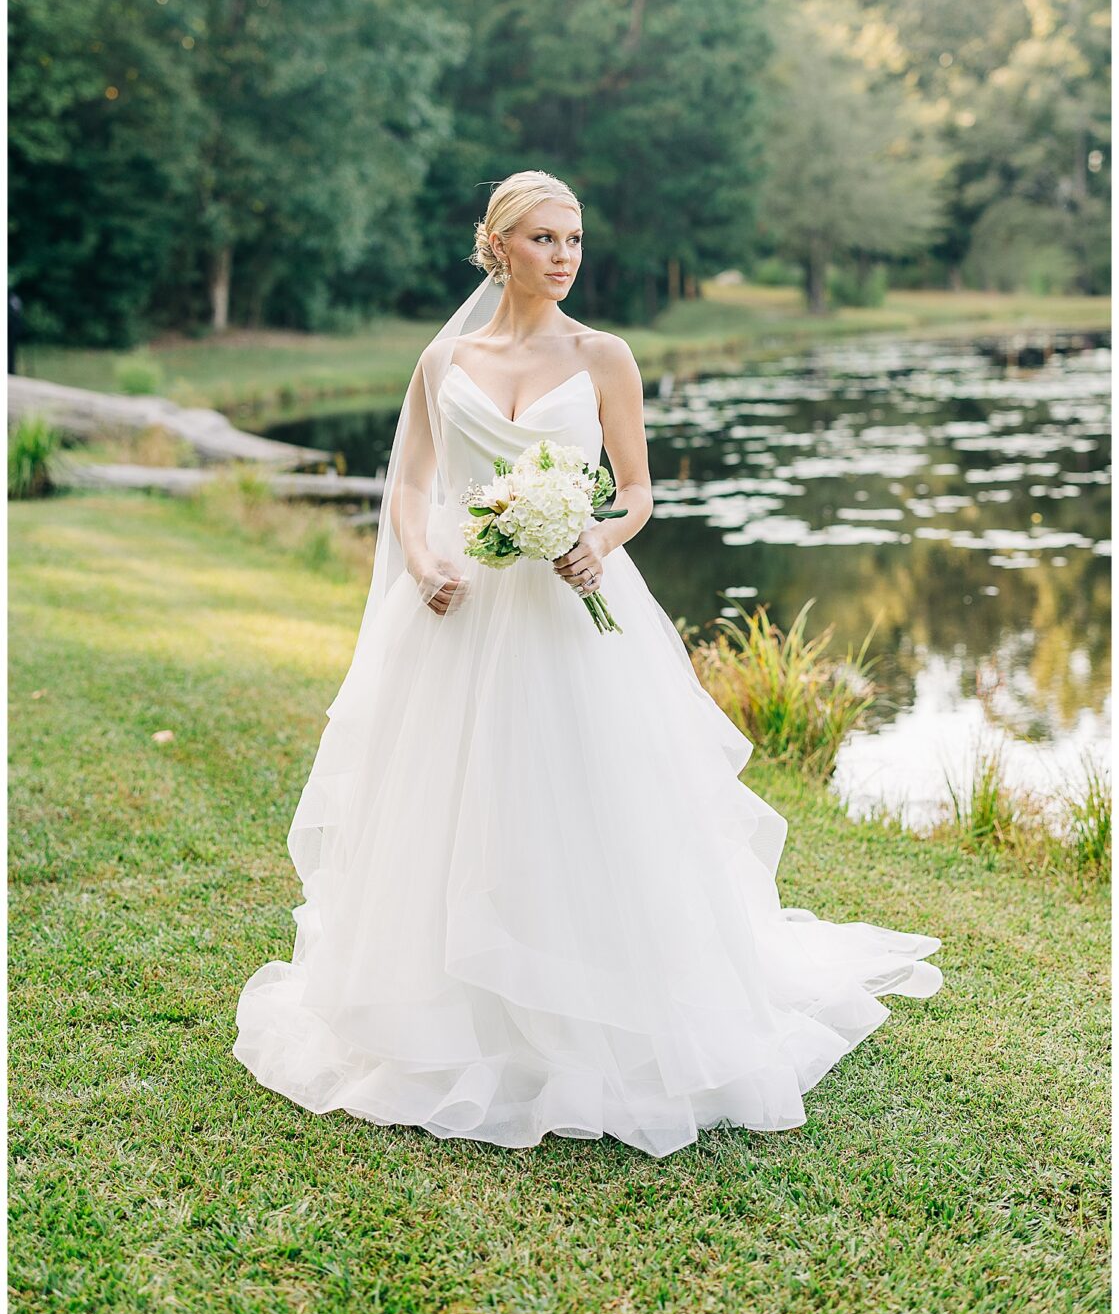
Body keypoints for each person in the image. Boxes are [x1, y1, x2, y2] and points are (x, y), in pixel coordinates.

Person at [235, 170, 941, 1157]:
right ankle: (451, 1008)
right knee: (450, 800)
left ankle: (601, 994)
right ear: (500, 246)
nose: (564, 257)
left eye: (574, 240)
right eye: (543, 239)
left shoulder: (603, 355)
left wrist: (598, 539)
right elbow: (413, 482)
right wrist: (425, 554)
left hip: (573, 609)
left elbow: (638, 489)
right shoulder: (445, 359)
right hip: (462, 612)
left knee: (588, 800)